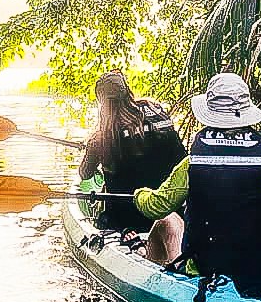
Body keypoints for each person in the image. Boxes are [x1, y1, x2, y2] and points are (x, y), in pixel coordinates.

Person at [132, 71, 261, 298]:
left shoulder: (193, 162)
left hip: (206, 269)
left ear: (209, 115)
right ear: (247, 113)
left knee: (166, 220)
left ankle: (157, 289)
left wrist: (140, 194)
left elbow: (154, 207)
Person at [78, 70, 186, 234]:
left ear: (102, 102)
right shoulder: (158, 117)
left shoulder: (102, 138)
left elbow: (85, 174)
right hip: (169, 215)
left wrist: (90, 149)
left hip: (125, 223)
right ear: (128, 92)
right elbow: (182, 159)